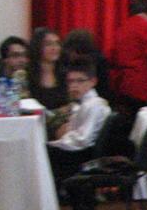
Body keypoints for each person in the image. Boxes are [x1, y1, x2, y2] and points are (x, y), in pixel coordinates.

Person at [46, 57, 111, 189]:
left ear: (93, 81)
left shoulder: (93, 105)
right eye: (70, 81)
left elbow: (83, 139)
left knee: (44, 153)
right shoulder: (81, 104)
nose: (74, 85)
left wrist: (55, 143)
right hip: (79, 151)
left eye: (80, 81)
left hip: (83, 156)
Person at [27, 28, 69, 110]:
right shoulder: (25, 75)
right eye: (48, 44)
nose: (54, 48)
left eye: (57, 43)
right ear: (38, 47)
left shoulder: (65, 73)